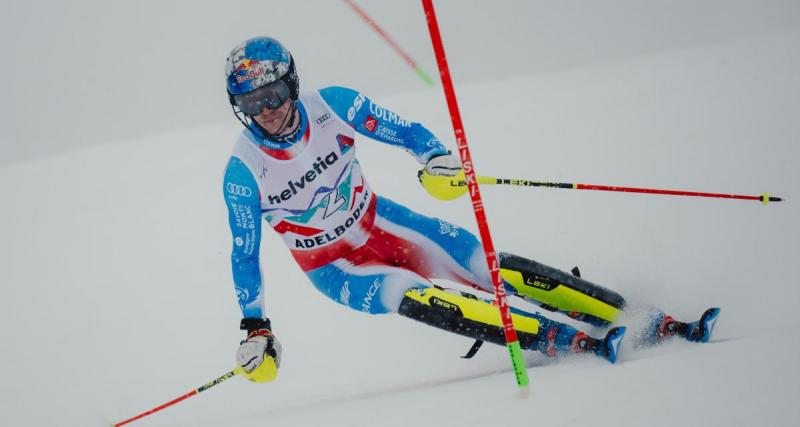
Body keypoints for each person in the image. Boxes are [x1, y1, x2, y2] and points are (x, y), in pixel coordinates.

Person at [223, 37, 719, 383]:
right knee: (409, 294)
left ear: (291, 84)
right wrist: (255, 327)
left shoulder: (333, 105)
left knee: (487, 267)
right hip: (336, 268)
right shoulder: (243, 172)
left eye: (273, 94)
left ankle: (647, 319)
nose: (266, 109)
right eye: (252, 101)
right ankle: (565, 341)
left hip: (386, 223)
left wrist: (435, 158)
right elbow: (244, 255)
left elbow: (407, 132)